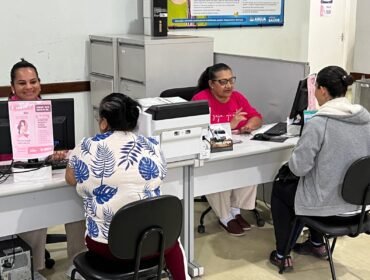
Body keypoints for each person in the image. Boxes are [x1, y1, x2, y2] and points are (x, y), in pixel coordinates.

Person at [65, 92, 190, 280]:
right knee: (172, 240)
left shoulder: (87, 146)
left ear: (104, 122)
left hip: (106, 248)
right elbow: (161, 174)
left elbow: (71, 178)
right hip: (152, 242)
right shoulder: (152, 145)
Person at [269, 66, 370, 271]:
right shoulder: (366, 120)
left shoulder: (319, 124)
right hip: (361, 208)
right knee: (321, 183)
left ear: (323, 90)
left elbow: (298, 169)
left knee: (281, 188)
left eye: (315, 89)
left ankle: (282, 254)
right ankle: (316, 244)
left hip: (328, 210)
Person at [1, 59, 86, 272]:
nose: (29, 87)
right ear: (12, 87)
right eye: (22, 83)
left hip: (50, 171)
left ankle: (78, 265)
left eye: (33, 81)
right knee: (35, 211)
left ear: (40, 83)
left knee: (77, 202)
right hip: (13, 176)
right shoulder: (5, 112)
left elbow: (64, 143)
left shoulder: (50, 109)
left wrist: (59, 154)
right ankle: (34, 269)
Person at [192, 63, 263, 236]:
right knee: (219, 175)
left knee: (250, 169)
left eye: (231, 80)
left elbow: (256, 117)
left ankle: (235, 211)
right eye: (223, 82)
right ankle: (224, 217)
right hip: (211, 152)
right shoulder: (200, 100)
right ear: (211, 84)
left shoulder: (237, 97)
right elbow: (197, 131)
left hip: (237, 148)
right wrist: (229, 126)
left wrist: (248, 125)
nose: (229, 86)